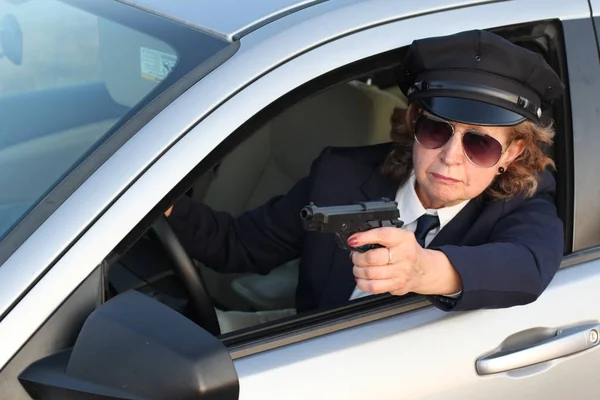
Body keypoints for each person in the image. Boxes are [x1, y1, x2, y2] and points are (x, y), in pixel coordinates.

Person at [165, 29, 565, 332]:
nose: (449, 156)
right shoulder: (340, 174)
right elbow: (238, 244)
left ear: (511, 154)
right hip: (312, 341)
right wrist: (158, 205)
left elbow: (528, 264)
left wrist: (424, 269)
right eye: (436, 130)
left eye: (479, 144)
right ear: (412, 122)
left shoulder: (523, 202)